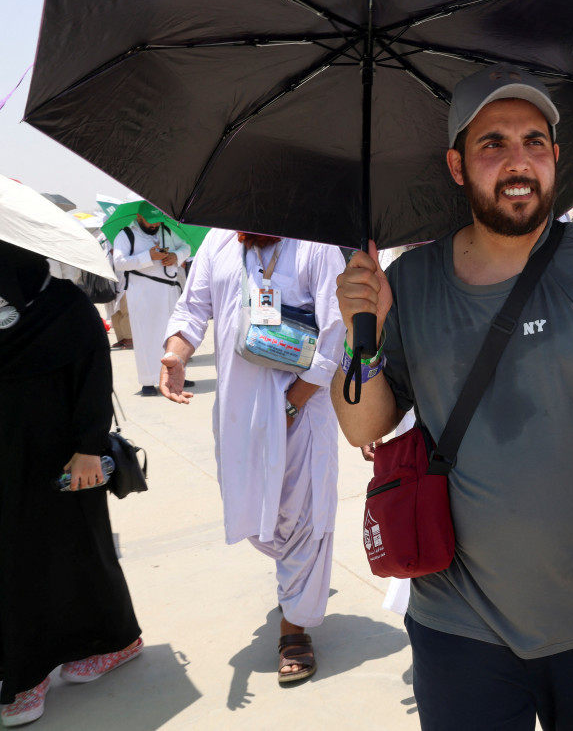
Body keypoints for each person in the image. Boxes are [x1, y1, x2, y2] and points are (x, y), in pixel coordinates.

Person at [331, 63, 573, 731]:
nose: (518, 161)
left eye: (534, 142)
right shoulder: (412, 283)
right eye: (493, 144)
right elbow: (363, 424)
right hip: (460, 618)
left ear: (556, 159)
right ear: (457, 165)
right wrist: (359, 336)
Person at [158, 231, 345, 685]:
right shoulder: (219, 242)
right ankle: (293, 585)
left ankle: (294, 627)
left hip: (302, 408)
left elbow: (337, 329)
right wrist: (176, 353)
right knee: (253, 508)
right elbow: (192, 307)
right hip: (239, 409)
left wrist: (292, 403)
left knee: (305, 514)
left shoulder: (315, 244)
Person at [0, 241, 143, 727]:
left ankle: (32, 672)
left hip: (62, 462)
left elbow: (94, 376)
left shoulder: (64, 305)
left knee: (71, 551)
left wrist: (88, 447)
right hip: (6, 458)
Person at [111, 213, 190, 395]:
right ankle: (148, 380)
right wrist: (148, 256)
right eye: (150, 222)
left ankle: (177, 375)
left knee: (173, 334)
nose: (154, 225)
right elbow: (119, 263)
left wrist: (174, 256)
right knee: (147, 336)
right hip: (143, 293)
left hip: (169, 291)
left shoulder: (167, 231)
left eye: (157, 222)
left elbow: (186, 247)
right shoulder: (126, 235)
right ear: (140, 216)